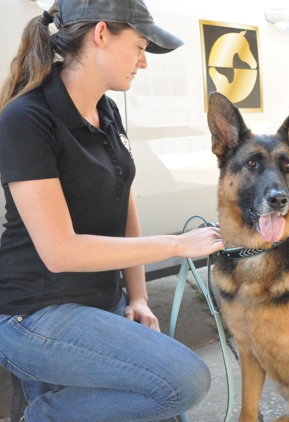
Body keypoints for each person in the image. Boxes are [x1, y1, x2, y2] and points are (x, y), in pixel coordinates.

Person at [0, 0, 224, 421]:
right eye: (139, 46)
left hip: (99, 301)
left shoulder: (105, 109)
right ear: (100, 35)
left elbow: (125, 201)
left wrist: (138, 296)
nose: (144, 62)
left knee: (166, 405)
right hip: (33, 312)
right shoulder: (25, 119)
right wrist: (177, 244)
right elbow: (59, 251)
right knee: (185, 381)